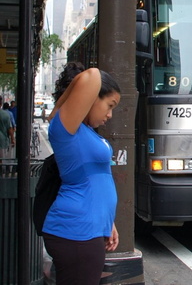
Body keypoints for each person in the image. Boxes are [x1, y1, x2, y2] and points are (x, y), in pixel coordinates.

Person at [42, 67, 121, 284]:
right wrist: (76, 87)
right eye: (109, 106)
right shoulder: (66, 130)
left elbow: (97, 180)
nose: (109, 115)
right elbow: (93, 75)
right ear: (92, 98)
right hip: (76, 232)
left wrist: (108, 222)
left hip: (85, 229)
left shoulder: (81, 132)